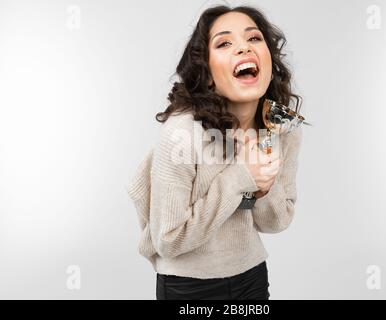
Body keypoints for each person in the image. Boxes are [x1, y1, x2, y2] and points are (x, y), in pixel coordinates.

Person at [127, 4, 304, 300]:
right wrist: (241, 176)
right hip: (188, 286)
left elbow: (276, 222)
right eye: (224, 43)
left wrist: (263, 189)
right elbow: (167, 240)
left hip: (251, 276)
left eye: (254, 39)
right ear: (207, 73)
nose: (243, 49)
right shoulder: (182, 132)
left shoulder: (281, 127)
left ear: (269, 61)